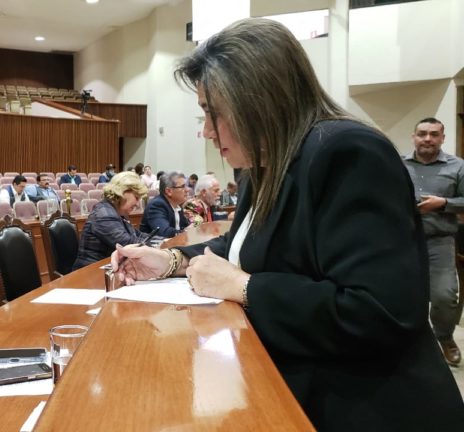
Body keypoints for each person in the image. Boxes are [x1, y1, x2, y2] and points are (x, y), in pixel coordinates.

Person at [111, 18, 464, 431]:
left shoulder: (349, 152)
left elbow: (379, 312)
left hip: (366, 406)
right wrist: (169, 259)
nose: (206, 131)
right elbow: (243, 248)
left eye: (213, 112)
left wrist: (245, 287)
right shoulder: (266, 163)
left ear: (258, 100)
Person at [403, 117, 464, 366]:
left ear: (442, 138)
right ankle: (409, 343)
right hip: (402, 241)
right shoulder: (398, 164)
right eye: (422, 133)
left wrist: (444, 204)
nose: (427, 139)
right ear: (414, 137)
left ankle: (444, 337)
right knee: (402, 294)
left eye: (434, 134)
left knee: (445, 296)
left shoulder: (458, 166)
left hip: (440, 241)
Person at [73, 172, 149, 270]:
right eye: (136, 197)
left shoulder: (118, 212)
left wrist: (164, 240)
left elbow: (138, 235)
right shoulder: (104, 215)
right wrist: (159, 248)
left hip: (108, 269)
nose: (138, 204)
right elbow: (128, 244)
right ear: (123, 192)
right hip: (90, 273)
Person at [139, 171, 189, 238]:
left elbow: (185, 227)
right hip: (155, 247)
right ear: (168, 191)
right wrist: (186, 232)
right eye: (183, 187)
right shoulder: (157, 205)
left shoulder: (177, 205)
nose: (187, 190)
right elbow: (164, 232)